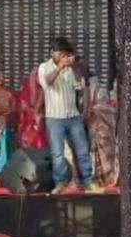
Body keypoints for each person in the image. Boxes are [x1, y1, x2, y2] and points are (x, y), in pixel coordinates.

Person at [38, 38, 103, 194]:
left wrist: (75, 69)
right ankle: (60, 183)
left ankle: (88, 181)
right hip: (54, 118)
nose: (65, 58)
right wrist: (59, 68)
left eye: (67, 55)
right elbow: (48, 82)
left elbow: (80, 86)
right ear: (53, 53)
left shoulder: (71, 69)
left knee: (82, 151)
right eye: (62, 54)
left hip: (73, 116)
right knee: (58, 154)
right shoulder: (44, 67)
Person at [16, 67, 48, 149]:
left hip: (40, 120)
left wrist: (40, 113)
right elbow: (22, 105)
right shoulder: (26, 86)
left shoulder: (43, 90)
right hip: (27, 120)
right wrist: (33, 112)